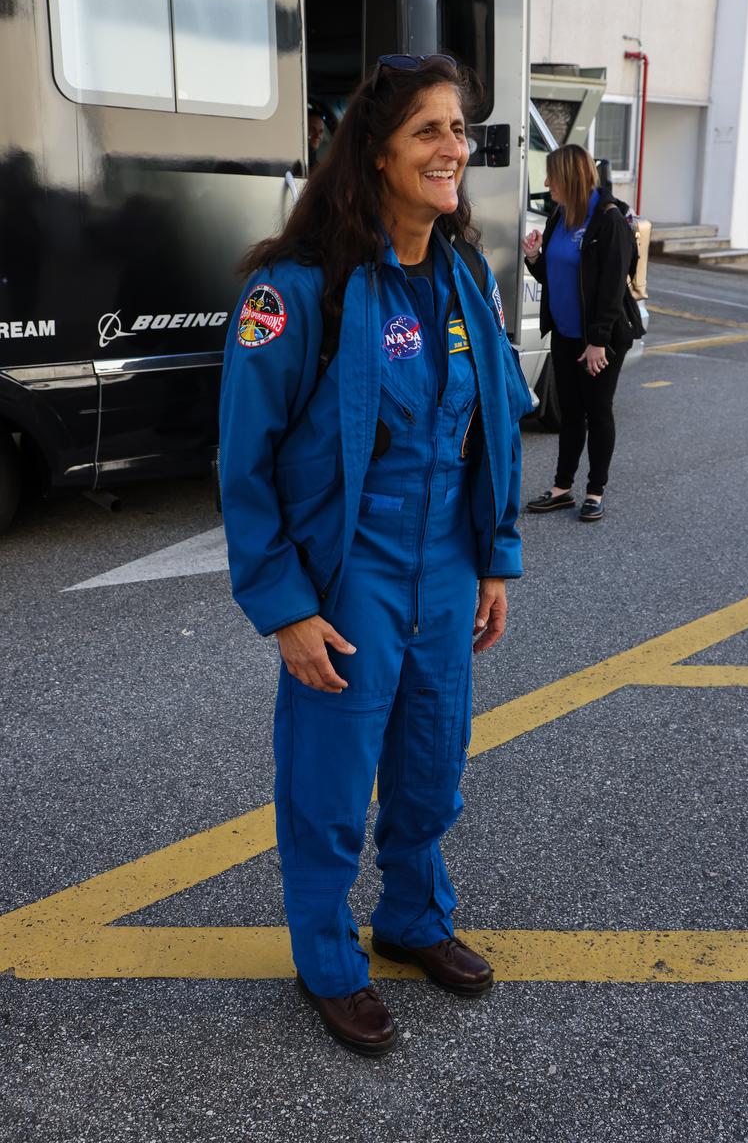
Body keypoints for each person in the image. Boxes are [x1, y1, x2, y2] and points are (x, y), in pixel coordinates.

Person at [218, 54, 531, 1056]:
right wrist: (284, 603)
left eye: (461, 130)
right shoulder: (297, 288)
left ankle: (411, 916)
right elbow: (244, 458)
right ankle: (328, 957)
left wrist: (494, 557)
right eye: (431, 130)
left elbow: (494, 429)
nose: (455, 148)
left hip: (442, 560)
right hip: (347, 569)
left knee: (433, 764)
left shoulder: (461, 277)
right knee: (329, 779)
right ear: (378, 152)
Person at [522, 144, 635, 523]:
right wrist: (535, 258)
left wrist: (598, 341)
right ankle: (561, 488)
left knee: (598, 411)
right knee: (570, 413)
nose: (546, 182)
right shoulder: (560, 215)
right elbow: (556, 279)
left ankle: (595, 490)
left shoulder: (608, 219)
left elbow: (611, 287)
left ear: (567, 176)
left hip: (599, 338)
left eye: (551, 175)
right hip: (566, 334)